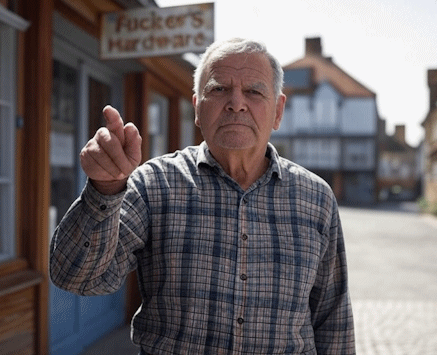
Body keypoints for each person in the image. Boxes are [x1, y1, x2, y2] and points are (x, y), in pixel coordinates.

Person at [50, 38, 355, 354]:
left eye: (254, 91)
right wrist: (104, 191)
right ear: (197, 107)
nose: (236, 103)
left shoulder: (316, 198)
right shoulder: (155, 185)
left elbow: (333, 320)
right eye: (219, 89)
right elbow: (76, 278)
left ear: (278, 111)